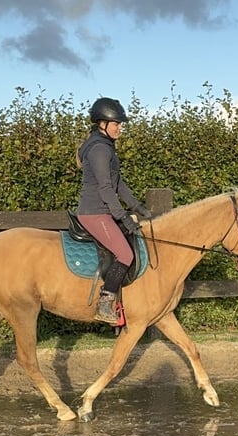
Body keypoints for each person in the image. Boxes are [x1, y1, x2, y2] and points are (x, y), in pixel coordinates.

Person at [76, 97, 152, 324]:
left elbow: (118, 184)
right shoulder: (100, 149)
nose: (120, 127)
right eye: (116, 123)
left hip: (101, 211)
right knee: (126, 254)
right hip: (94, 213)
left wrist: (138, 207)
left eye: (120, 123)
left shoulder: (106, 147)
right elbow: (106, 189)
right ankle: (105, 304)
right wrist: (123, 217)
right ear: (102, 124)